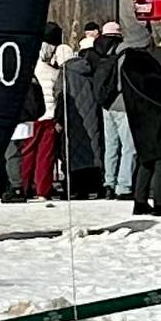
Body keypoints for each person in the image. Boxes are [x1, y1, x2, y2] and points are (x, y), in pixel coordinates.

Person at [120, 25, 161, 217]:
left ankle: (140, 200)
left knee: (146, 159)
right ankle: (159, 203)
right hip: (156, 116)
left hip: (138, 117)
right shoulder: (144, 62)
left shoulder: (126, 63)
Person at [65, 23, 107, 199]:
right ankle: (94, 184)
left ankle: (75, 186)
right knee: (94, 147)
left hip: (73, 114)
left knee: (74, 149)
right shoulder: (97, 68)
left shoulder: (67, 68)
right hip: (92, 111)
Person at [29, 22, 66, 201]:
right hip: (49, 115)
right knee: (45, 156)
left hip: (33, 116)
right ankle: (43, 189)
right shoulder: (52, 71)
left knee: (28, 153)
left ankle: (25, 185)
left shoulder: (29, 66)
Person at [99, 20, 135, 199]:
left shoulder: (99, 51)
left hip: (106, 104)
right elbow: (123, 82)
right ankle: (124, 186)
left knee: (110, 146)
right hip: (122, 104)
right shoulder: (124, 53)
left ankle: (108, 183)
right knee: (129, 147)